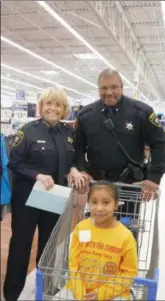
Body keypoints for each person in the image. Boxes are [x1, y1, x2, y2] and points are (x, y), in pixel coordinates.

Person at [69, 68, 165, 277]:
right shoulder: (86, 115)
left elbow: (159, 144)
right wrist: (83, 172)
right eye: (104, 88)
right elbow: (77, 150)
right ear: (98, 89)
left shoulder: (141, 112)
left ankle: (124, 279)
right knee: (97, 229)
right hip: (98, 186)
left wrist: (154, 177)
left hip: (131, 186)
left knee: (127, 232)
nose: (109, 92)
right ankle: (95, 276)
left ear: (122, 87)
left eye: (114, 87)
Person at [3, 87, 86, 301]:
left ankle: (46, 291)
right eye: (48, 104)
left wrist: (75, 168)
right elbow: (14, 163)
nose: (53, 108)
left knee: (50, 247)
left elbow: (75, 158)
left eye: (58, 104)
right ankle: (12, 294)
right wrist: (36, 175)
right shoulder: (27, 131)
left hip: (55, 198)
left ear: (64, 109)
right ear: (41, 107)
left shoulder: (69, 134)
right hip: (27, 200)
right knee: (21, 246)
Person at [55, 180, 137, 301]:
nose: (99, 208)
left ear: (116, 204)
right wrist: (81, 294)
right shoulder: (81, 228)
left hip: (113, 292)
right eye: (94, 202)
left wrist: (102, 293)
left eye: (106, 202)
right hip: (78, 288)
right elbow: (73, 265)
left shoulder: (126, 236)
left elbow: (129, 273)